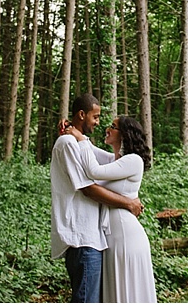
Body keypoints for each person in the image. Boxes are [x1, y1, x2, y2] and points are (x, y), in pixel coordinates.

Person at [50, 94, 144, 303]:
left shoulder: (77, 143)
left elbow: (107, 159)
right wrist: (128, 202)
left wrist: (79, 137)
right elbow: (88, 189)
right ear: (82, 115)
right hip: (81, 236)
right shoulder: (67, 143)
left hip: (96, 238)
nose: (99, 122)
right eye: (96, 116)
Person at [64, 115, 157, 303]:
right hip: (111, 237)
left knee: (126, 291)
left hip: (125, 236)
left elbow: (94, 171)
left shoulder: (133, 161)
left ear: (124, 134)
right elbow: (90, 150)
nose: (107, 128)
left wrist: (80, 138)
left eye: (112, 127)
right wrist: (73, 129)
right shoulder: (114, 160)